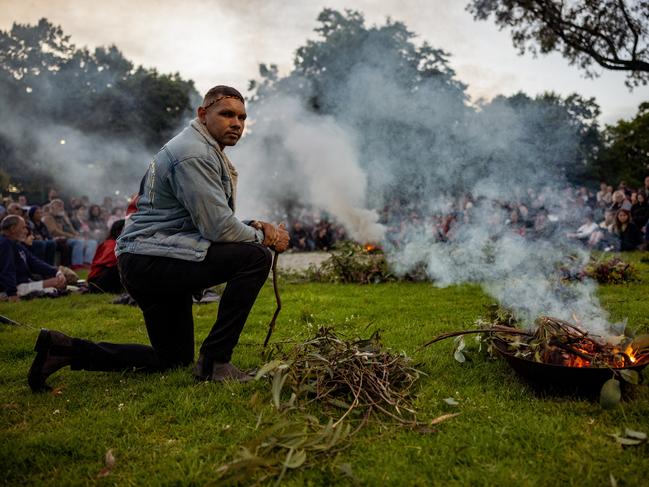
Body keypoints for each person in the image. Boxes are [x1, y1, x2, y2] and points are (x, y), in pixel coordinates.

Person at [28, 85, 289, 392]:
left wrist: (253, 226)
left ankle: (62, 349)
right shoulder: (194, 154)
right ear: (203, 115)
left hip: (155, 256)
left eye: (242, 118)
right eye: (227, 114)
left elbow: (203, 221)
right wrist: (263, 236)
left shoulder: (202, 149)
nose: (236, 123)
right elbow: (218, 230)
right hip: (151, 260)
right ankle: (216, 361)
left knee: (172, 359)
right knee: (254, 256)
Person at [0, 215, 66, 301]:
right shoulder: (4, 244)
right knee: (56, 282)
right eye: (23, 228)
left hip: (22, 284)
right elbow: (7, 271)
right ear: (13, 229)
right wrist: (12, 294)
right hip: (10, 289)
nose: (26, 231)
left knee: (59, 280)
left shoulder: (16, 244)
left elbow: (34, 263)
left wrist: (56, 271)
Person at [42, 198, 97, 268]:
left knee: (92, 242)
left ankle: (87, 263)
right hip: (60, 238)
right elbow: (55, 231)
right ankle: (77, 265)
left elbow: (71, 229)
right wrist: (72, 236)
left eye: (62, 206)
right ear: (52, 207)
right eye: (59, 206)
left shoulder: (63, 217)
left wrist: (77, 234)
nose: (61, 208)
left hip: (69, 237)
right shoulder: (48, 217)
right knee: (79, 242)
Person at [87, 219, 125, 293]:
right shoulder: (111, 244)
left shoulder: (116, 243)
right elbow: (112, 262)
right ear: (118, 231)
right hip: (98, 282)